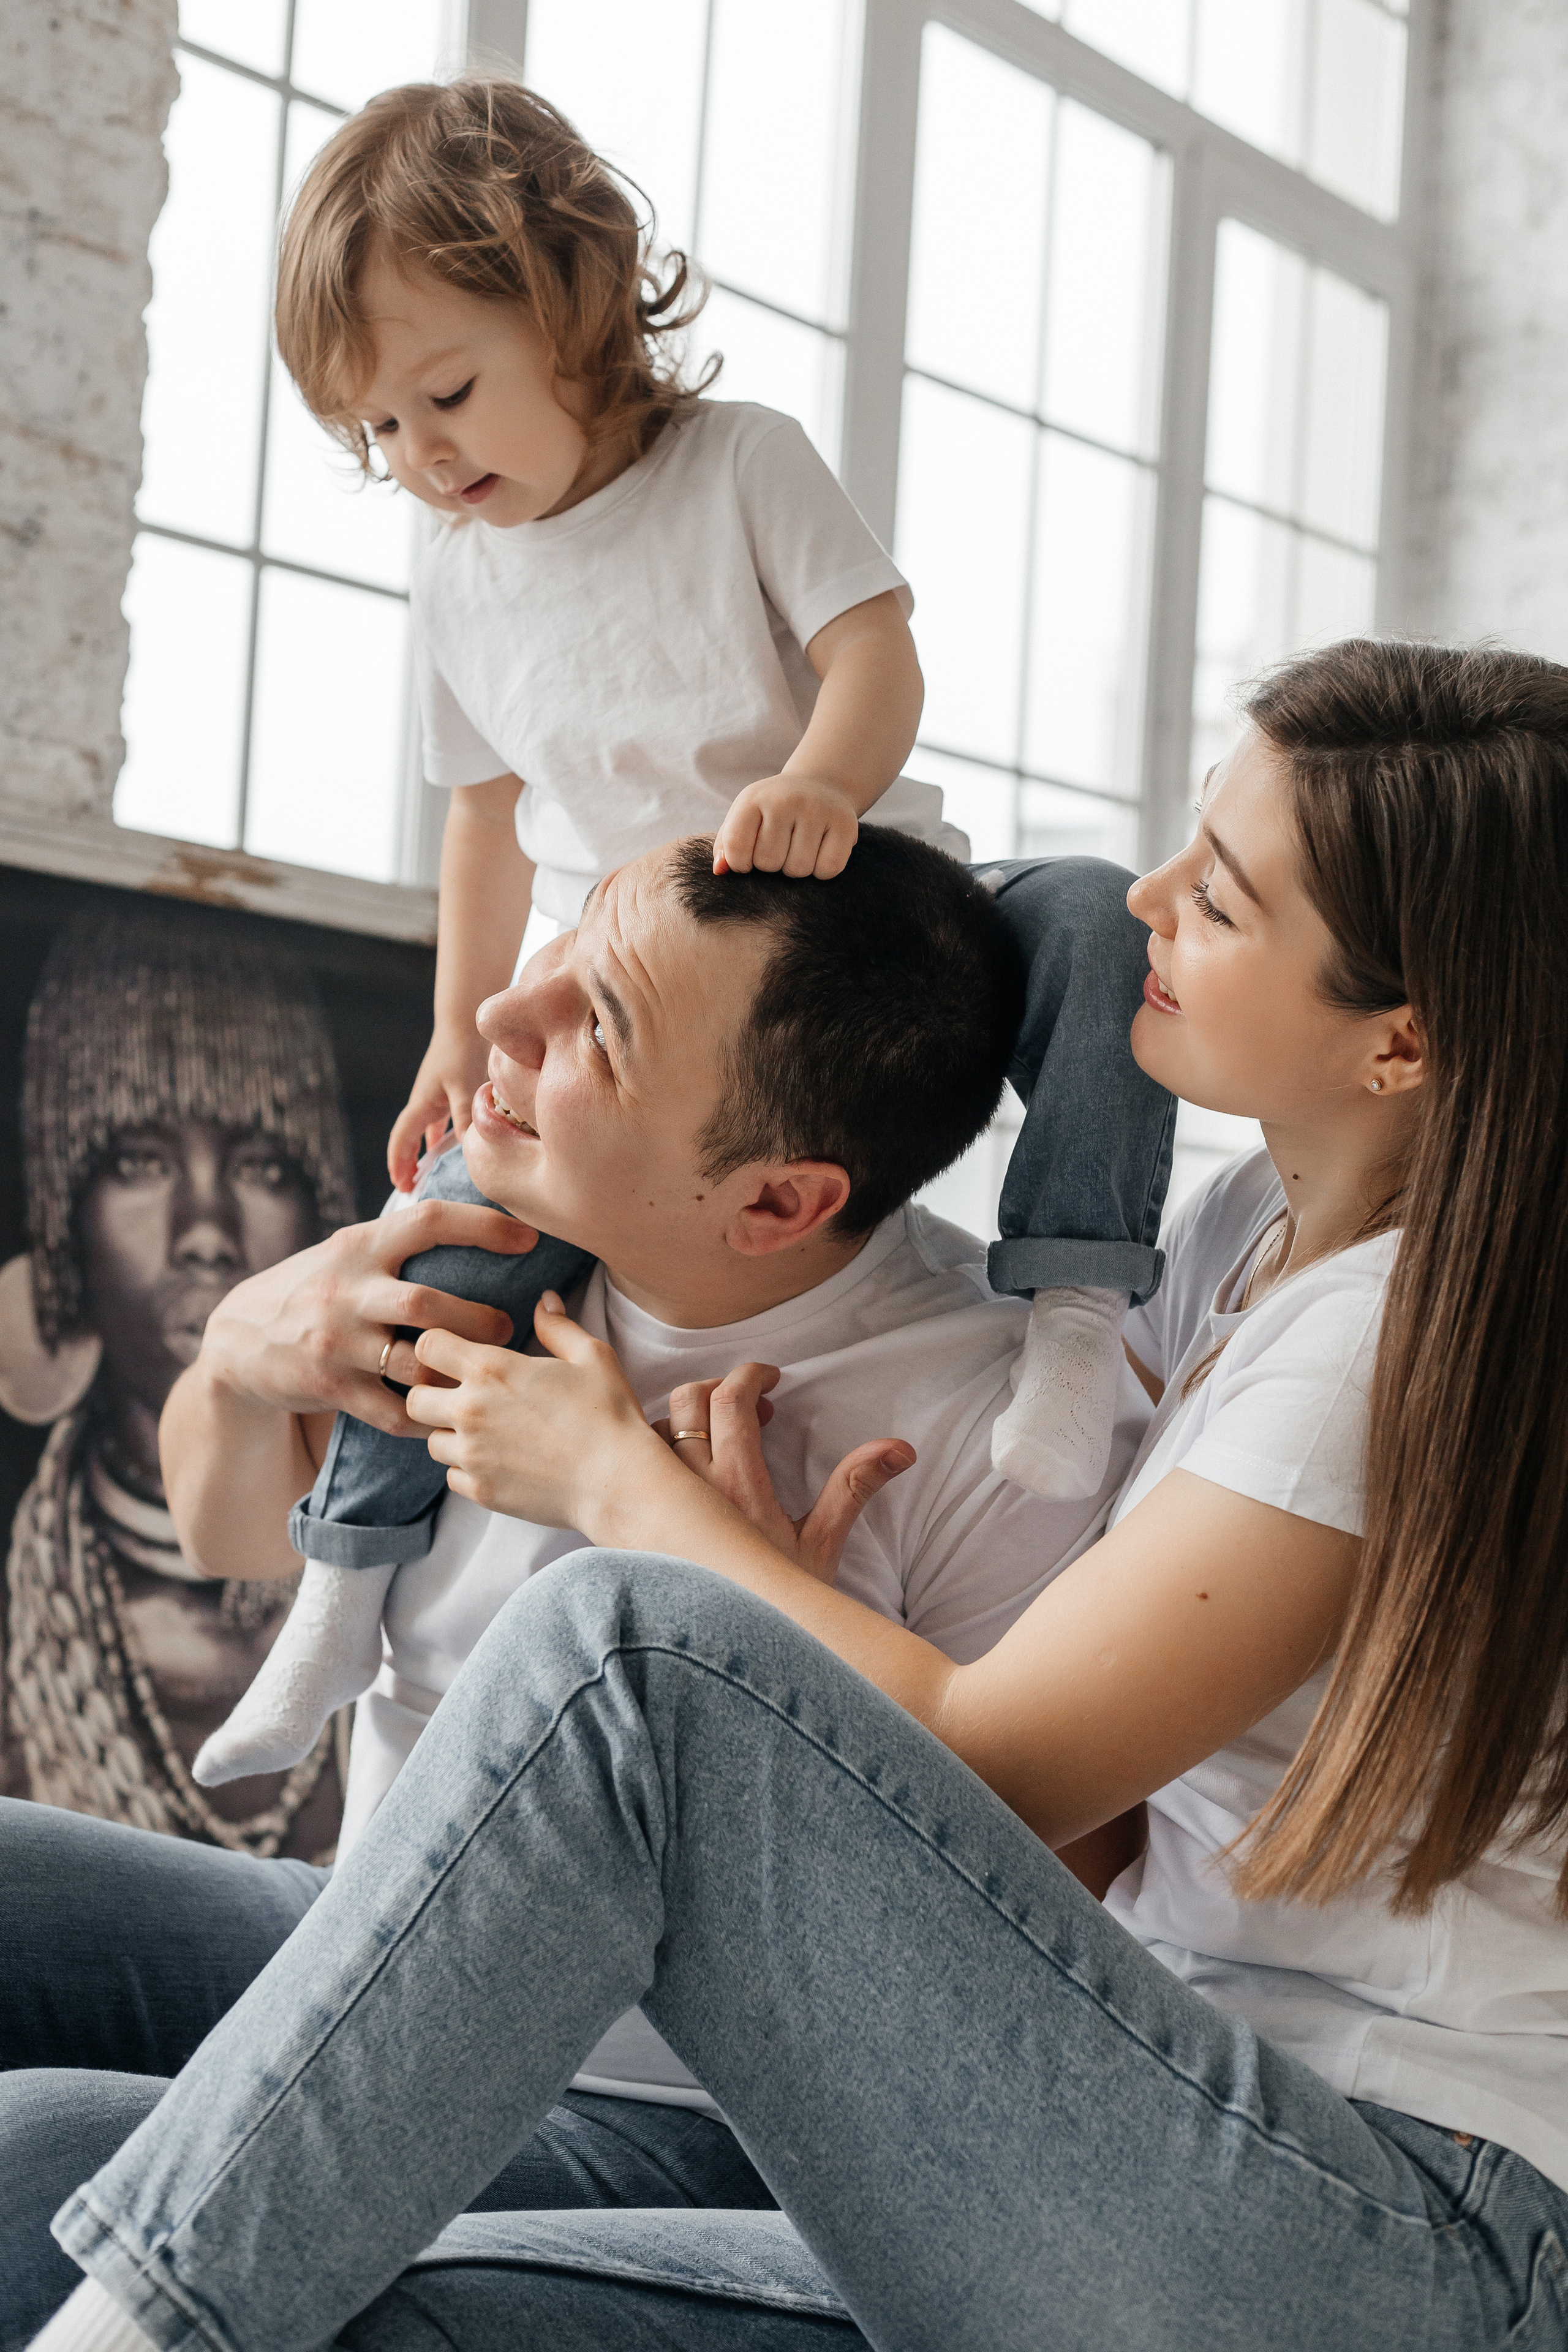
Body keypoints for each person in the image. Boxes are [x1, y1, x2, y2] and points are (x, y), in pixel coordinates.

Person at [12, 636, 1568, 2352]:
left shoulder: (1383, 1340)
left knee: (625, 1652)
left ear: (1405, 1043)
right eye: (1187, 839)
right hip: (1151, 2096)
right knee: (42, 2159)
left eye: (1223, 896)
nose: (1147, 897)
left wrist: (631, 1491)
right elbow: (913, 956)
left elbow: (1014, 1765)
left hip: (1389, 2219)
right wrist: (250, 1349)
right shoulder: (1234, 1244)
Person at [270, 71, 1142, 1544]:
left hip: (868, 909)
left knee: (1095, 922)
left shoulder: (739, 459)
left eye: (448, 393)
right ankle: (346, 1582)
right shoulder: (454, 575)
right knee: (449, 1243)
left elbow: (870, 649)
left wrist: (822, 783)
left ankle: (1071, 1309)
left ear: (569, 303)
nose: (423, 454)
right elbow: (484, 818)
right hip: (650, 1001)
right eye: (376, 433)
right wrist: (452, 1023)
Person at [190, 839, 1173, 1793]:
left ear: (775, 1205)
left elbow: (1048, 1890)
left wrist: (771, 1648)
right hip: (342, 1904)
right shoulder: (481, 1230)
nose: (500, 1011)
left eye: (604, 1031)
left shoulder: (1008, 1442)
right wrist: (234, 1356)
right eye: (572, 935)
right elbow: (230, 1546)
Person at [0, 911, 355, 1863]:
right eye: (143, 1162)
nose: (205, 1230)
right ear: (63, 1210)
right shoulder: (23, 1631)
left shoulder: (420, 1570)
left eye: (262, 1164)